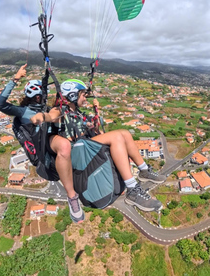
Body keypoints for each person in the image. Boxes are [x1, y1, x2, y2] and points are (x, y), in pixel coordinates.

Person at [31, 79, 166, 213]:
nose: (85, 99)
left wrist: (92, 123)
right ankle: (132, 189)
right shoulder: (60, 110)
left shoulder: (76, 113)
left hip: (81, 148)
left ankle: (144, 170)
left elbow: (86, 132)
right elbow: (51, 116)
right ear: (72, 95)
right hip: (74, 154)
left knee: (124, 133)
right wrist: (42, 117)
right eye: (83, 95)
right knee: (116, 137)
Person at [0, 65, 81, 222]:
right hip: (42, 153)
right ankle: (72, 196)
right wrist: (15, 78)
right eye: (37, 97)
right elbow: (0, 104)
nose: (39, 98)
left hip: (51, 146)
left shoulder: (45, 109)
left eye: (40, 96)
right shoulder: (23, 111)